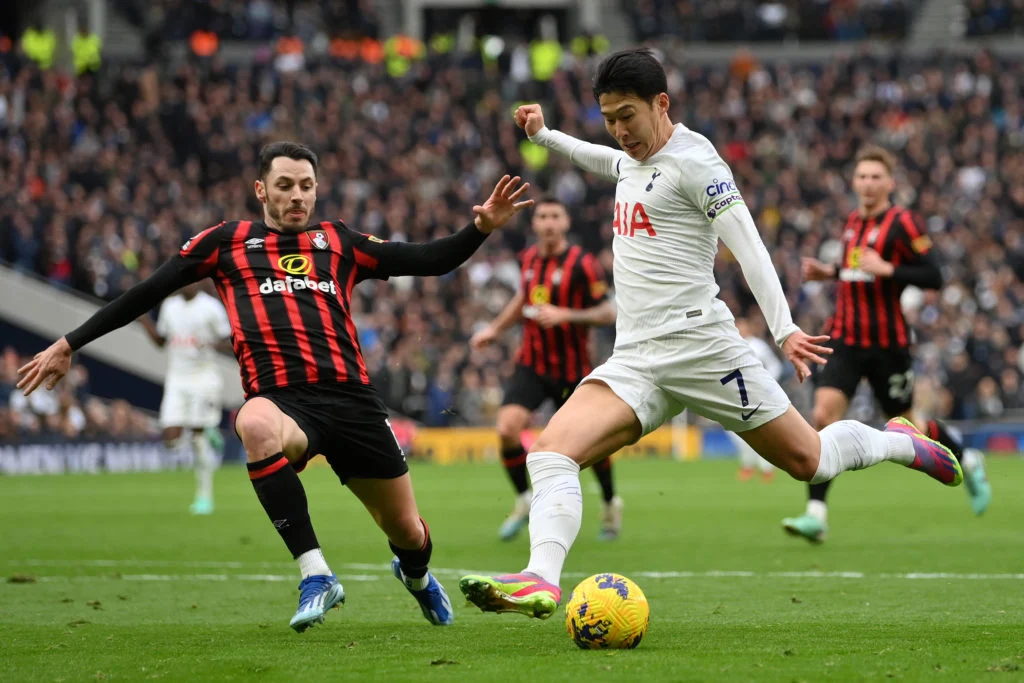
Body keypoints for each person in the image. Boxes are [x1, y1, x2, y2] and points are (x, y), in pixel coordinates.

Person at [457, 48, 962, 620]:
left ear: (661, 103)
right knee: (549, 452)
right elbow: (604, 160)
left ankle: (902, 442)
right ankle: (540, 579)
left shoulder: (699, 163)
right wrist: (546, 136)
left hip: (704, 350)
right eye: (609, 119)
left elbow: (750, 247)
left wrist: (784, 329)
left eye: (628, 115)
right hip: (637, 358)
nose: (620, 131)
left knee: (810, 461)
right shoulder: (631, 158)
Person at [17, 141, 534, 632]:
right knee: (253, 423)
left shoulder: (339, 242)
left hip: (352, 401)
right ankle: (316, 574)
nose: (297, 196)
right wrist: (70, 343)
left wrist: (479, 229)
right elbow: (146, 291)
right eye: (285, 185)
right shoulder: (226, 243)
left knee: (408, 533)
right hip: (284, 404)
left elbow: (430, 259)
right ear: (261, 190)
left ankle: (416, 576)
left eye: (306, 185)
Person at [781, 145, 992, 543]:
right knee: (824, 416)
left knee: (910, 426)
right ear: (854, 182)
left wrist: (890, 268)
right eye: (862, 176)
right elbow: (857, 272)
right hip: (844, 337)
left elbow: (934, 275)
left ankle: (969, 459)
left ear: (890, 183)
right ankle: (816, 514)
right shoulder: (851, 224)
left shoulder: (904, 223)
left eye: (876, 176)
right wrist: (830, 272)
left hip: (887, 344)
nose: (868, 183)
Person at [470, 196, 621, 541]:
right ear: (535, 223)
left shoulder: (583, 264)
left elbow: (607, 313)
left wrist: (566, 315)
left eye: (555, 216)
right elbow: (523, 298)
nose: (549, 223)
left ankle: (611, 504)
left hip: (573, 369)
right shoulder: (528, 260)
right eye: (542, 217)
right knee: (508, 428)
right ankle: (525, 500)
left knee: (593, 445)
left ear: (566, 223)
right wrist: (494, 329)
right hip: (533, 364)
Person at [138, 281, 232, 515]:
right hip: (177, 379)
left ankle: (204, 497)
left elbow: (231, 339)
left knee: (197, 438)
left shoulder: (211, 307)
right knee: (170, 440)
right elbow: (162, 342)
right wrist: (144, 320)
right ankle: (206, 430)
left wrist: (211, 344)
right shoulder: (170, 306)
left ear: (200, 281)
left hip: (204, 378)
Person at [729, 317, 780, 482]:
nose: (738, 328)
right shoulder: (730, 345)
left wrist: (766, 384)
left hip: (758, 396)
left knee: (761, 432)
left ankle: (766, 469)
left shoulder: (758, 345)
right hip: (737, 397)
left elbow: (775, 366)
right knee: (737, 433)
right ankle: (748, 465)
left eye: (741, 325)